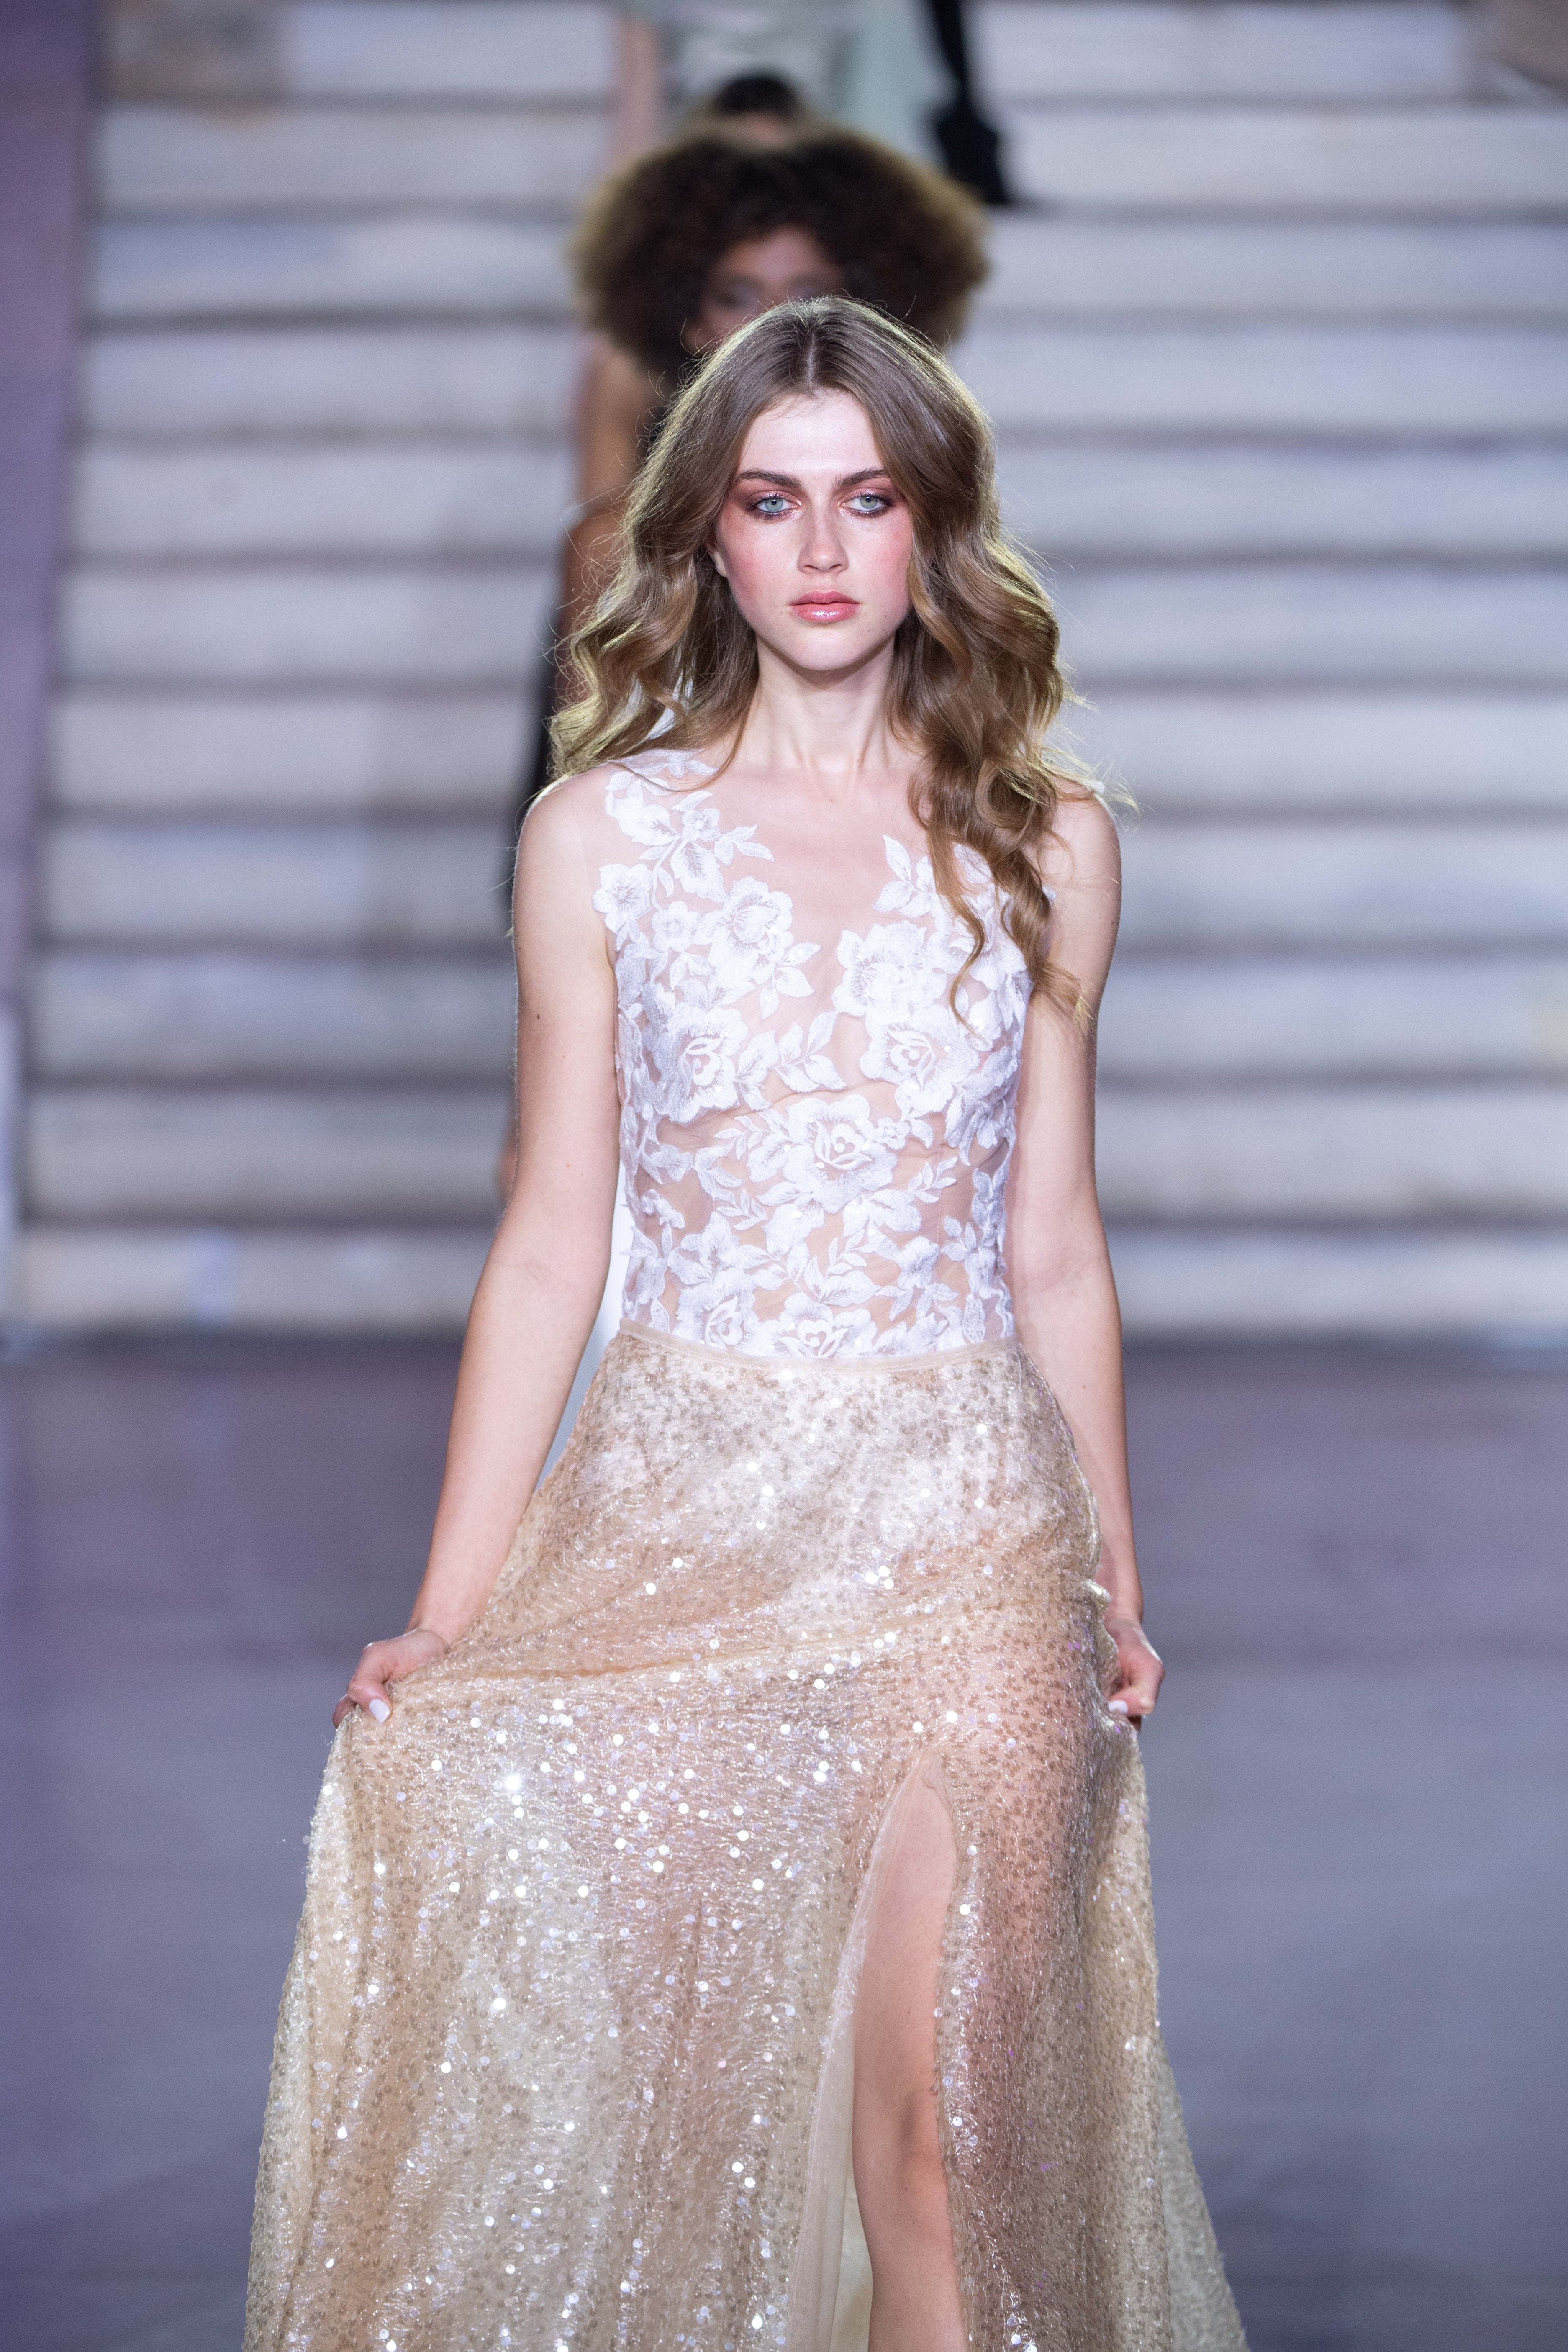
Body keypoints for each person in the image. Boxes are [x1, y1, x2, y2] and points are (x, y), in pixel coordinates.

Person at [245, 297, 1248, 2352]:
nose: (820, 548)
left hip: (966, 1527)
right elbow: (553, 1239)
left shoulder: (1044, 841)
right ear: (704, 532)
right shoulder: (603, 840)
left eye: (866, 500)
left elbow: (1054, 1241)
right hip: (673, 1525)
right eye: (772, 501)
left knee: (938, 2135)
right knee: (686, 2139)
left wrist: (1113, 1576)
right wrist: (450, 1611)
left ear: (932, 528)